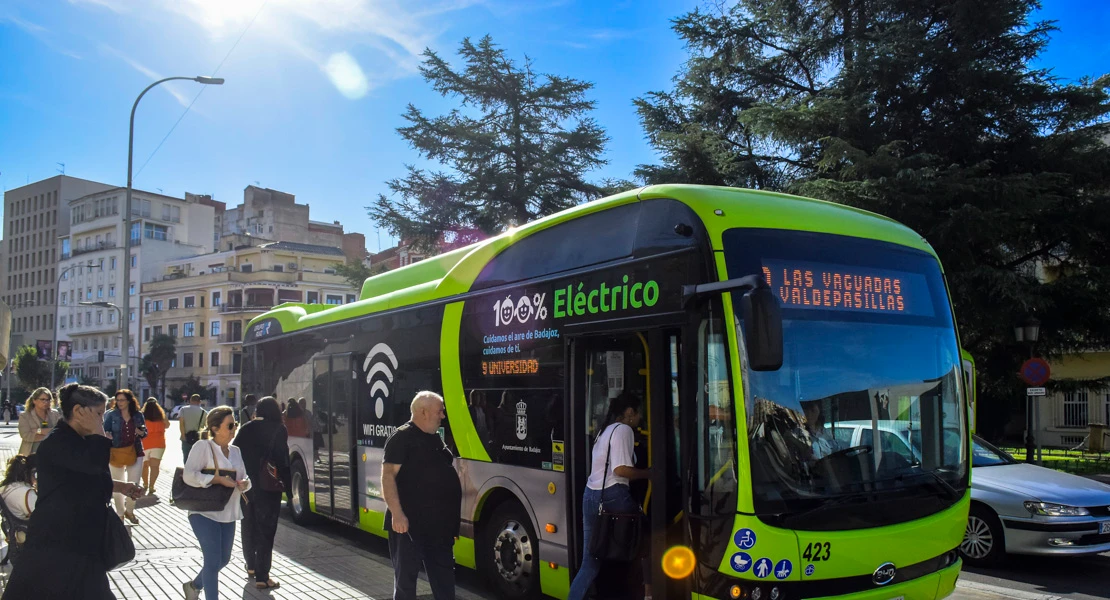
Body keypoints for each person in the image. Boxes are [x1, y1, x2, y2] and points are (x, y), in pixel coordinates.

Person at [1, 383, 144, 600]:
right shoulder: (59, 441)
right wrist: (99, 434)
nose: (101, 420)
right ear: (78, 411)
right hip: (57, 542)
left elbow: (88, 477)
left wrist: (121, 487)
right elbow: (92, 465)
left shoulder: (78, 440)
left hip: (78, 542)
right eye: (98, 413)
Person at [567, 393, 651, 600]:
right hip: (613, 494)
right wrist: (649, 473)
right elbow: (621, 469)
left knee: (590, 562)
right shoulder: (624, 430)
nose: (641, 418)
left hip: (590, 495)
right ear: (630, 413)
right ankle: (649, 593)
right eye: (639, 413)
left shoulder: (604, 431)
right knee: (648, 537)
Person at [381, 391, 461, 600]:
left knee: (444, 582)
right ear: (423, 412)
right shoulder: (402, 437)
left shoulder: (434, 438)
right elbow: (387, 477)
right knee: (406, 584)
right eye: (439, 411)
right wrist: (397, 515)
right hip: (409, 527)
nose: (443, 415)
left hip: (439, 529)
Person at [181, 406, 251, 600]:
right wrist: (216, 479)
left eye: (235, 424)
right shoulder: (203, 447)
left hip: (228, 512)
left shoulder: (236, 450)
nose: (233, 429)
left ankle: (194, 586)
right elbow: (189, 475)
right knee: (212, 561)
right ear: (214, 428)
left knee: (223, 559)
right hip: (203, 512)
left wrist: (245, 483)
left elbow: (245, 476)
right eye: (229, 425)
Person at [233, 396, 291, 589]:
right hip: (268, 488)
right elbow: (283, 461)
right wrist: (290, 491)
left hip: (246, 487)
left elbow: (234, 455)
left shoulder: (246, 428)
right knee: (266, 531)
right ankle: (262, 577)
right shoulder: (278, 429)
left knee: (248, 525)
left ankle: (250, 566)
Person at [104, 389, 146, 525]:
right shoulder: (111, 415)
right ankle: (120, 514)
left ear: (129, 400)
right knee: (118, 485)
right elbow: (104, 430)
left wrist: (142, 432)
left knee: (135, 483)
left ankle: (130, 510)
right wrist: (107, 435)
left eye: (122, 400)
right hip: (115, 452)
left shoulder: (138, 415)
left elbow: (145, 432)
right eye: (117, 400)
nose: (119, 402)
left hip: (135, 451)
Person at [0, 454, 37, 566]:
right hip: (24, 532)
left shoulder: (8, 486)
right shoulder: (26, 493)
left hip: (11, 529)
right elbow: (41, 515)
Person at [18, 387, 61, 456]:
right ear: (34, 400)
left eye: (48, 400)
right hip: (31, 455)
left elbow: (59, 432)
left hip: (52, 454)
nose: (46, 402)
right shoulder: (25, 416)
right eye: (42, 399)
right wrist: (46, 433)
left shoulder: (55, 414)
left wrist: (36, 431)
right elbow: (26, 435)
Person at [140, 398, 167, 495]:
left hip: (144, 444)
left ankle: (145, 484)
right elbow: (167, 425)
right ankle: (152, 486)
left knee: (144, 465)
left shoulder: (142, 416)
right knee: (155, 466)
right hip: (159, 444)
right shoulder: (161, 417)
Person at [179, 394, 207, 462]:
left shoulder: (183, 409)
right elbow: (206, 427)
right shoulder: (204, 412)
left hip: (186, 437)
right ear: (199, 402)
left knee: (186, 458)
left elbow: (181, 423)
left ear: (190, 400)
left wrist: (183, 435)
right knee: (198, 458)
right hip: (198, 438)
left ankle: (187, 471)